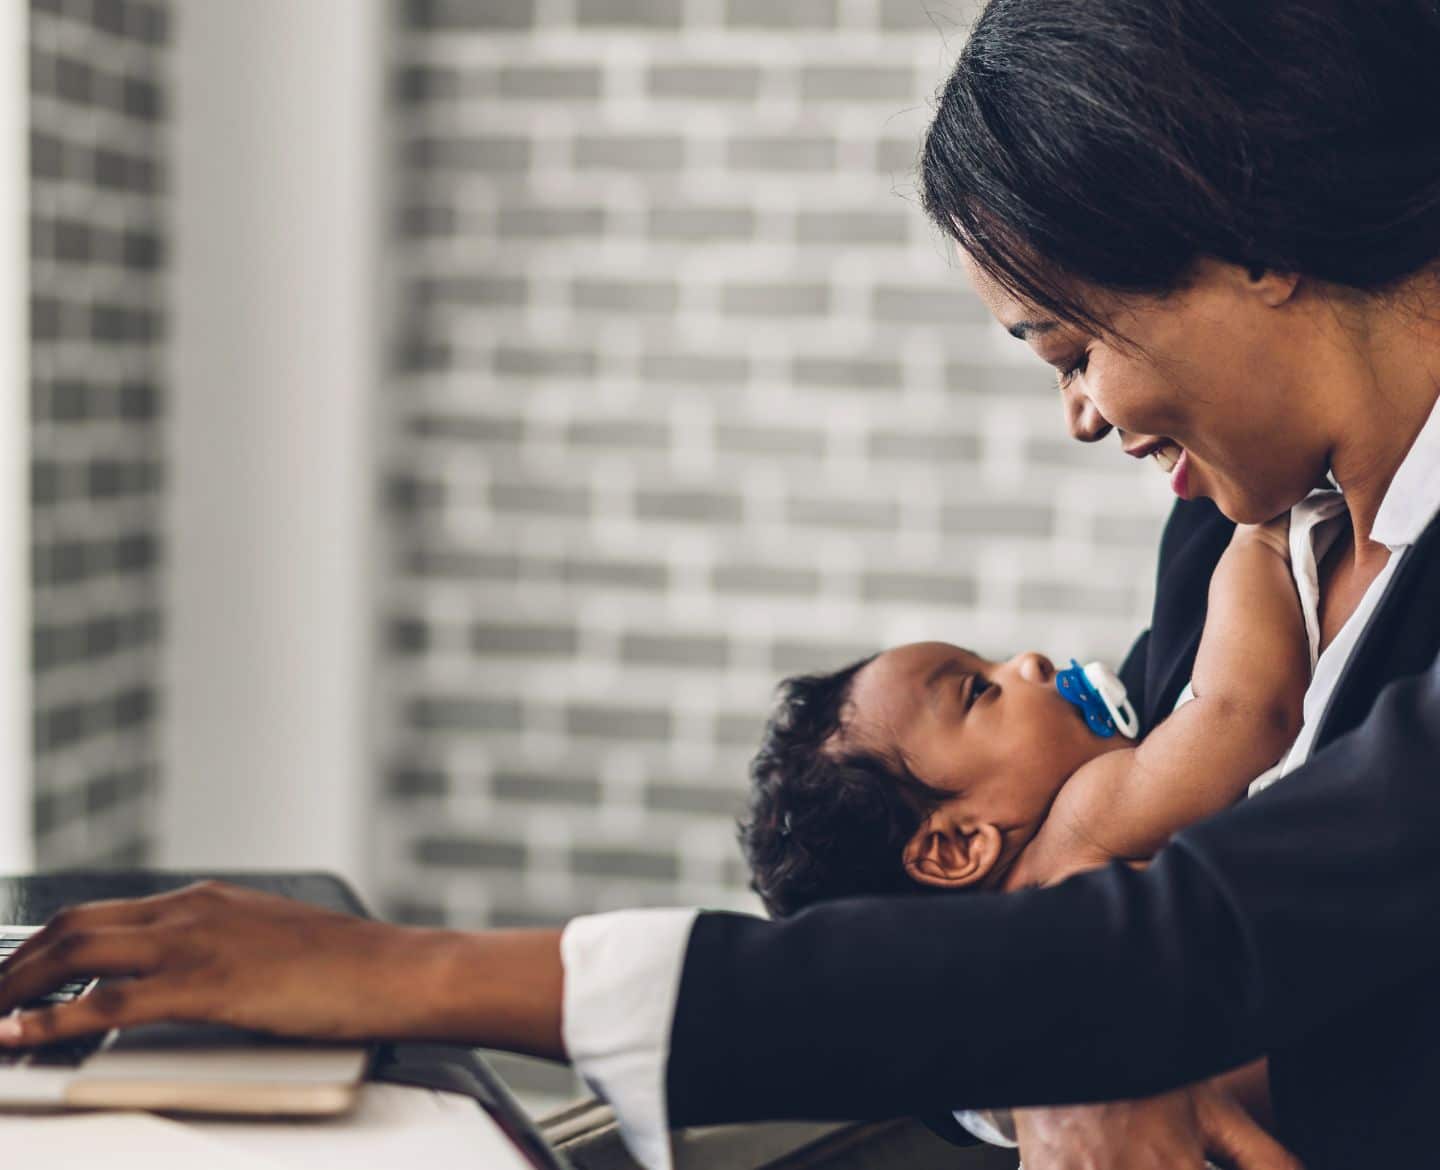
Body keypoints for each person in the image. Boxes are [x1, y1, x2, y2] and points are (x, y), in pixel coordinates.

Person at [3, 2, 1440, 1168]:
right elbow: (1107, 904)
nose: (1080, 415)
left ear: (1251, 236)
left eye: (1072, 348)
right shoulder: (1233, 531)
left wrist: (400, 972)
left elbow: (1183, 944)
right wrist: (1062, 1038)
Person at [740, 518, 1306, 917]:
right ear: (957, 847)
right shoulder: (1083, 829)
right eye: (980, 691)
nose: (1028, 662)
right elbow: (1243, 712)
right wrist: (1260, 537)